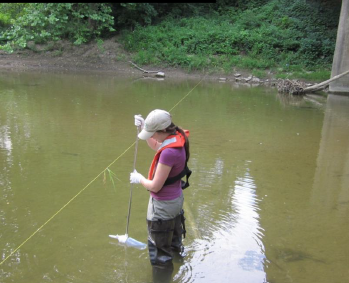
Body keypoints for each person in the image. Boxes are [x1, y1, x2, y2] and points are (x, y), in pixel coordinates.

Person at [130, 109, 191, 281]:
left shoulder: (169, 153)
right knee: (173, 243)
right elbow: (158, 145)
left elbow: (155, 187)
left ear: (162, 130)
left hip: (162, 209)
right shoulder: (177, 136)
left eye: (152, 133)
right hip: (176, 203)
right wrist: (144, 126)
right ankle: (180, 265)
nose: (152, 137)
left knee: (160, 256)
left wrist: (139, 179)